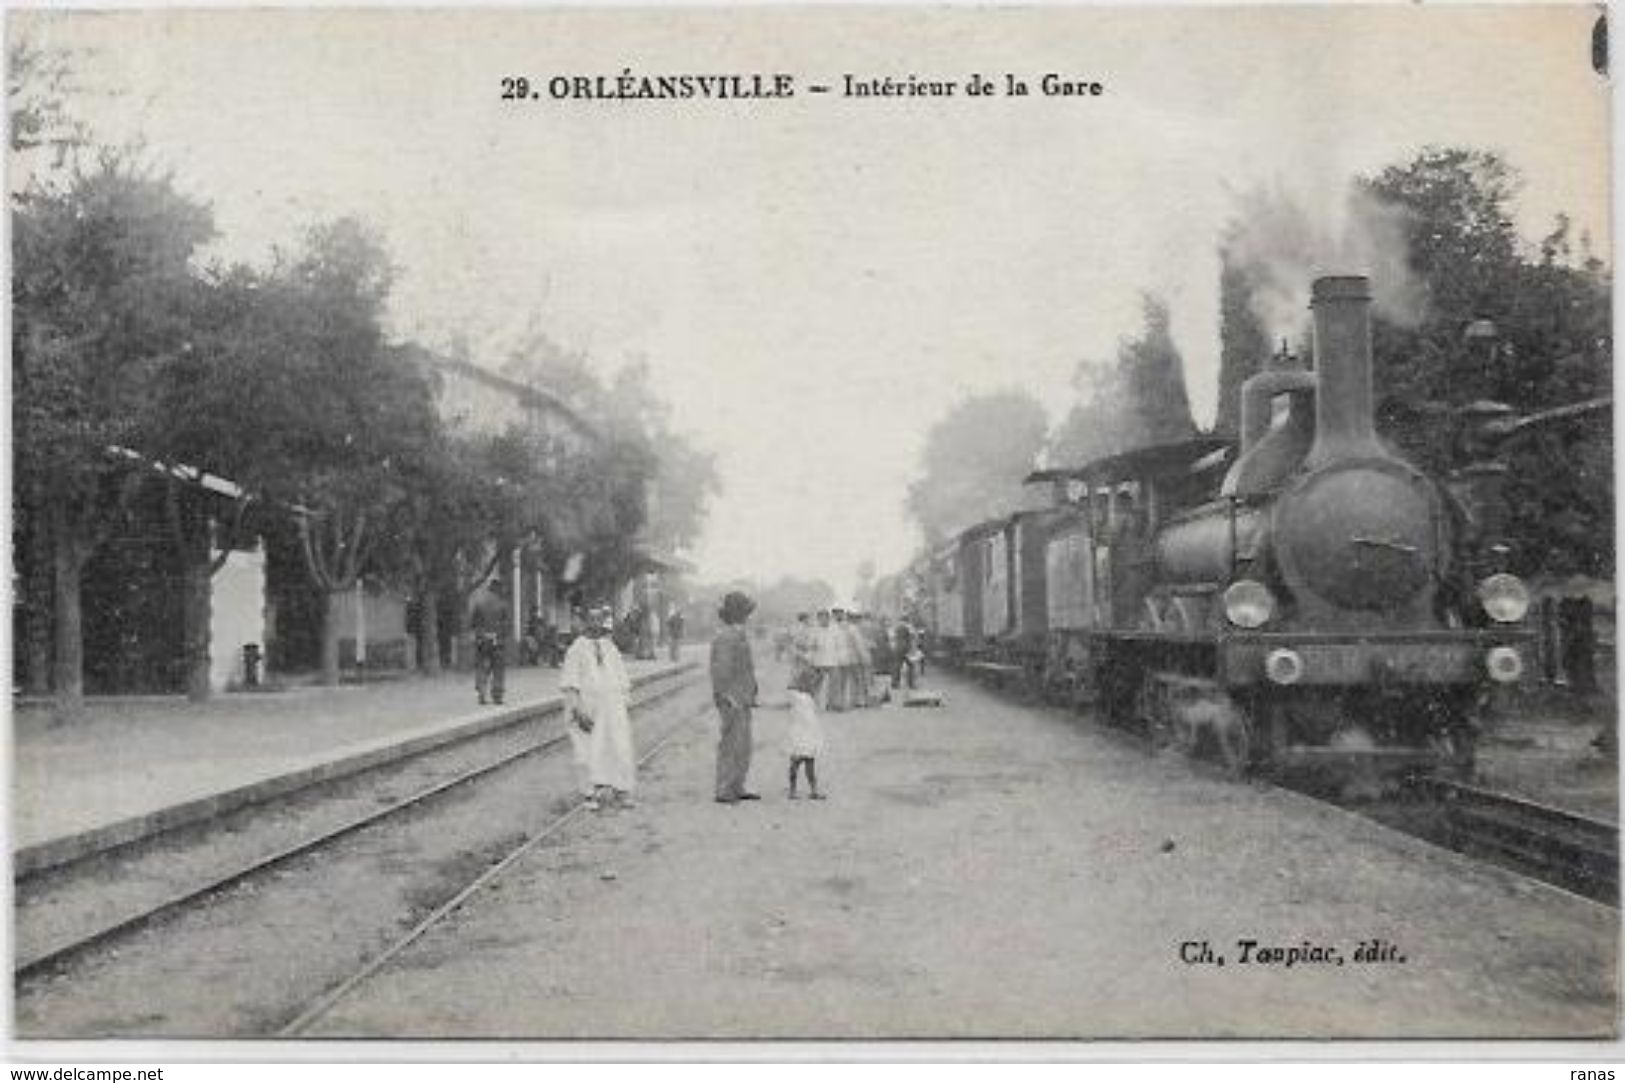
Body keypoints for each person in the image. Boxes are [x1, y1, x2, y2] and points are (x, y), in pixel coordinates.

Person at [560, 605, 637, 811]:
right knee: (587, 750)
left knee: (618, 746)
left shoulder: (609, 647)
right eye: (591, 620)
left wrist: (624, 698)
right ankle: (589, 792)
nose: (595, 624)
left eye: (599, 620)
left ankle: (621, 788)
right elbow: (570, 682)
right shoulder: (576, 649)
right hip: (588, 707)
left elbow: (621, 675)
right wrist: (577, 708)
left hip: (612, 707)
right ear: (584, 622)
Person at [710, 590, 760, 804]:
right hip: (732, 698)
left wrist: (752, 689)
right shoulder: (726, 637)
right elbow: (721, 670)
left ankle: (737, 785)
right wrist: (725, 695)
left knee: (743, 743)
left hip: (743, 697)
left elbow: (746, 668)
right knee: (731, 743)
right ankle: (724, 788)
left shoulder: (737, 634)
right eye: (745, 612)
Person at [786, 666, 827, 801]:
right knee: (808, 764)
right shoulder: (805, 699)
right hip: (806, 735)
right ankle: (812, 790)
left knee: (796, 763)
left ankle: (793, 790)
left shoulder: (797, 697)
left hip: (799, 735)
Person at [470, 582, 510, 706]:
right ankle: (497, 695)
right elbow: (506, 625)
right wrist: (501, 636)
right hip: (497, 640)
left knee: (481, 666)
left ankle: (482, 692)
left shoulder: (479, 603)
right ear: (499, 590)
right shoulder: (503, 604)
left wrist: (479, 634)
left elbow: (473, 623)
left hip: (482, 639)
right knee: (498, 668)